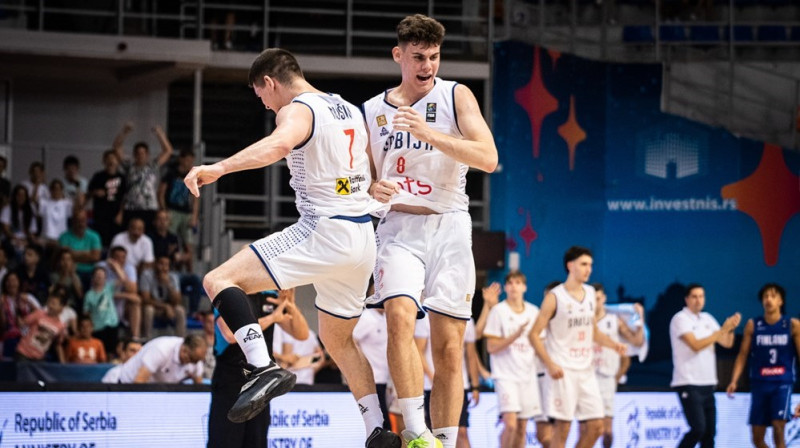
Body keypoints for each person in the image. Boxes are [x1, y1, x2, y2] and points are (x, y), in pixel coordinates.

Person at [184, 48, 399, 447]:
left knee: (218, 279)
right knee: (339, 340)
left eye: (260, 96)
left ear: (269, 82)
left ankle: (262, 367)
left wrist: (220, 167)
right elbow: (360, 170)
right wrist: (369, 186)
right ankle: (376, 428)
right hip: (362, 237)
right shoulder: (347, 108)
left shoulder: (297, 109)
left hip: (325, 230)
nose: (264, 105)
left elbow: (279, 145)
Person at [362, 14, 498, 448]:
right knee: (399, 318)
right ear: (399, 55)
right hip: (398, 224)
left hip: (450, 225)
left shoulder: (457, 96)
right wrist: (370, 186)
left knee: (449, 347)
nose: (428, 66)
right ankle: (417, 431)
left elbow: (489, 158)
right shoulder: (371, 110)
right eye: (419, 57)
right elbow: (356, 178)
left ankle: (443, 438)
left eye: (435, 57)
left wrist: (431, 134)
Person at [528, 246, 626, 448]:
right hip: (563, 371)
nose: (588, 269)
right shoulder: (555, 297)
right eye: (584, 264)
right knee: (562, 429)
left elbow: (593, 332)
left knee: (597, 426)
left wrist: (614, 345)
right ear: (570, 266)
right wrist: (550, 363)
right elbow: (533, 334)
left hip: (586, 370)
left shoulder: (590, 293)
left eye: (590, 265)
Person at [208, 289, 309, 448]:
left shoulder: (270, 296)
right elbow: (229, 334)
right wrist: (272, 318)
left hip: (262, 382)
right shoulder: (228, 294)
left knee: (257, 441)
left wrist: (291, 305)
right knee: (224, 440)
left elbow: (302, 334)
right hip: (230, 380)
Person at [727, 283, 800, 448]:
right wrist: (734, 380)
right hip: (760, 383)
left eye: (773, 296)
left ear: (781, 301)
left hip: (782, 382)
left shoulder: (792, 325)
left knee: (778, 428)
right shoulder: (754, 325)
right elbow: (743, 355)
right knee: (757, 438)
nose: (769, 299)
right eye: (766, 296)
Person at [670, 283, 740, 448]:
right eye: (694, 296)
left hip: (708, 382)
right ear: (687, 299)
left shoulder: (707, 319)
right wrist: (721, 331)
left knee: (709, 434)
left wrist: (730, 328)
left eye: (701, 296)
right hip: (688, 382)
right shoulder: (680, 318)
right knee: (698, 428)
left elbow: (727, 343)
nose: (698, 300)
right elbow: (695, 345)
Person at [483, 271, 541, 448]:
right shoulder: (498, 311)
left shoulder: (533, 311)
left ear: (524, 287)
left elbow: (541, 344)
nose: (514, 286)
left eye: (518, 282)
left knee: (522, 427)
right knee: (510, 424)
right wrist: (514, 336)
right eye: (510, 283)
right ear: (506, 287)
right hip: (505, 376)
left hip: (528, 376)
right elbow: (491, 347)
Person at [589, 283, 645, 448]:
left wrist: (639, 319)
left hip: (607, 379)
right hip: (586, 379)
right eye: (592, 299)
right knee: (588, 428)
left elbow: (637, 341)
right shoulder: (583, 320)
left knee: (607, 432)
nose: (595, 302)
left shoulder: (614, 320)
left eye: (598, 298)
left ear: (604, 299)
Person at [112, 122, 173, 232]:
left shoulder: (153, 166)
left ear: (147, 154)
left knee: (148, 235)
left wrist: (160, 134)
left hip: (149, 208)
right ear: (134, 155)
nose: (140, 156)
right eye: (138, 153)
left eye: (143, 153)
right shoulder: (129, 166)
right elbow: (116, 147)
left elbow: (168, 151)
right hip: (131, 207)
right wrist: (124, 132)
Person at [159, 149, 198, 272]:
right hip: (172, 211)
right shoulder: (171, 173)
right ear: (181, 159)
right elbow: (161, 192)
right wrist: (164, 210)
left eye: (191, 161)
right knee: (171, 243)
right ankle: (171, 269)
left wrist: (194, 216)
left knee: (188, 245)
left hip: (186, 213)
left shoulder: (191, 176)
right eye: (187, 160)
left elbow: (195, 197)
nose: (189, 163)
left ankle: (190, 273)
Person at [116, 334, 206, 383]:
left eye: (196, 361)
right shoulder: (161, 350)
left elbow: (198, 386)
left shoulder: (195, 360)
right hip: (129, 383)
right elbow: (139, 381)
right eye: (192, 360)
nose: (194, 364)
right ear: (184, 350)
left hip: (157, 387)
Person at [139, 255, 186, 339]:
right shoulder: (146, 275)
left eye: (166, 265)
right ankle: (146, 339)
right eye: (161, 264)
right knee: (148, 309)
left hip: (169, 309)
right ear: (155, 264)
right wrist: (165, 306)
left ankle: (180, 341)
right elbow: (146, 299)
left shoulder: (173, 277)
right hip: (155, 307)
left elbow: (178, 300)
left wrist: (168, 285)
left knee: (180, 310)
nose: (164, 268)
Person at [16, 287, 67, 362]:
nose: (50, 306)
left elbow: (58, 344)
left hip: (39, 358)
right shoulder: (39, 313)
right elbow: (22, 323)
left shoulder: (61, 326)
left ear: (61, 307)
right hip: (23, 353)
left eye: (53, 303)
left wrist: (63, 363)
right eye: (49, 302)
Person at [87, 150, 126, 246]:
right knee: (101, 240)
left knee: (116, 241)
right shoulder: (98, 176)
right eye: (108, 159)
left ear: (117, 161)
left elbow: (125, 197)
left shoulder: (122, 177)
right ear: (104, 161)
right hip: (101, 215)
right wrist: (95, 192)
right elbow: (89, 192)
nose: (111, 161)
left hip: (116, 214)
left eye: (113, 159)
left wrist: (121, 214)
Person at [0, 271, 41, 358]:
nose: (11, 284)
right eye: (8, 281)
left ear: (19, 282)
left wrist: (29, 304)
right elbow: (2, 325)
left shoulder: (28, 297)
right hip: (9, 338)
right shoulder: (2, 300)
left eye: (14, 280)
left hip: (27, 337)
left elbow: (42, 315)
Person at [57, 210, 102, 284]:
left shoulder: (94, 236)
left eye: (83, 220)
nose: (81, 223)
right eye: (78, 220)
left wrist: (73, 254)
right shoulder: (64, 237)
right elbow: (64, 257)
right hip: (70, 271)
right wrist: (87, 254)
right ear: (73, 221)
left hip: (90, 272)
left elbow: (96, 257)